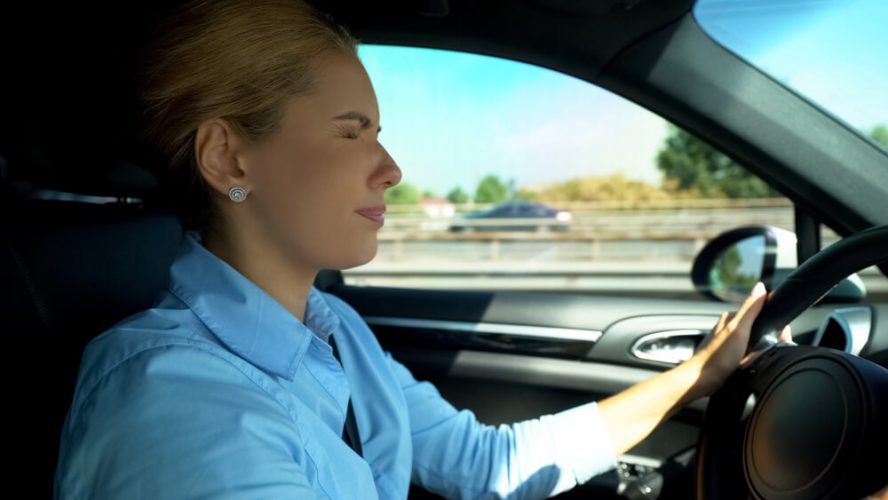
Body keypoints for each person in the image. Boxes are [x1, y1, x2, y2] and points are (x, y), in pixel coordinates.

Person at [53, 1, 791, 498]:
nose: (392, 169)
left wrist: (693, 377)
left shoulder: (334, 332)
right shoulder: (175, 405)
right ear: (230, 160)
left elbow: (490, 464)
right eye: (352, 132)